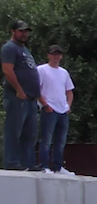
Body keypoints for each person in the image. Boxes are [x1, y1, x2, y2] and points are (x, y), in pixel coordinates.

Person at [1, 20, 41, 171]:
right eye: (21, 31)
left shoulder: (25, 50)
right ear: (13, 31)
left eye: (26, 31)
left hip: (30, 99)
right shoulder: (10, 48)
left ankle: (27, 163)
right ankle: (11, 163)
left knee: (30, 134)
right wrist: (19, 89)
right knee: (14, 130)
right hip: (17, 96)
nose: (24, 34)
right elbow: (7, 70)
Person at [37, 44, 75, 174]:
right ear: (48, 55)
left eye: (58, 54)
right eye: (53, 54)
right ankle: (44, 165)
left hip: (62, 110)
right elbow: (37, 90)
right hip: (49, 109)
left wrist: (68, 106)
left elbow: (69, 91)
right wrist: (45, 105)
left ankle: (58, 167)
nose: (56, 57)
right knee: (47, 139)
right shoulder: (42, 70)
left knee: (60, 141)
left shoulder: (64, 72)